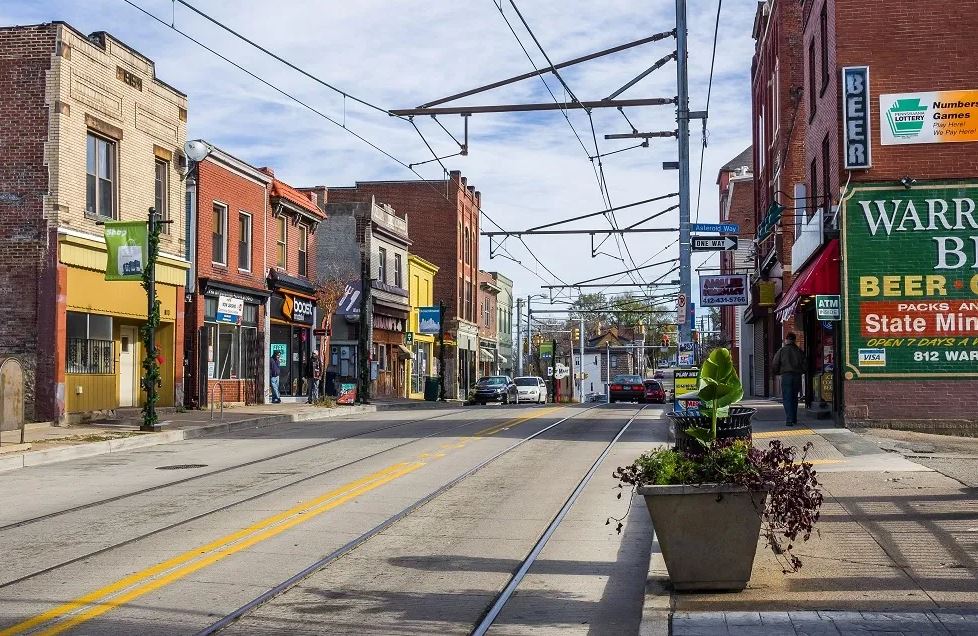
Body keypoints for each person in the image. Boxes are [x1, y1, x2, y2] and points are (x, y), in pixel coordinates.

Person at [772, 332, 805, 426]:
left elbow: (775, 363)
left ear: (786, 340)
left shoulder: (782, 351)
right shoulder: (799, 351)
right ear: (794, 340)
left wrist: (777, 372)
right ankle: (794, 418)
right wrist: (801, 371)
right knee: (794, 397)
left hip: (786, 376)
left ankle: (789, 419)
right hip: (797, 376)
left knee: (787, 398)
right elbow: (805, 363)